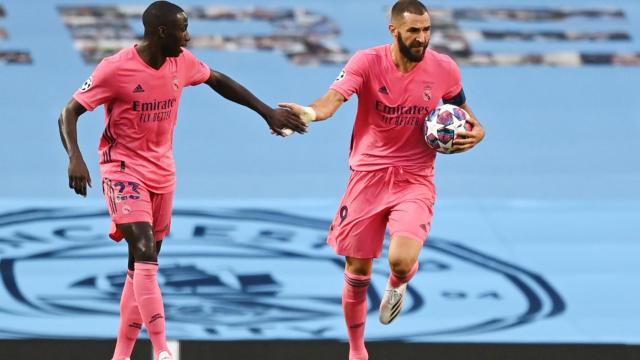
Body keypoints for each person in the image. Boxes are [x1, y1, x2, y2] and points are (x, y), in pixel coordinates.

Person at [57, 2, 307, 360]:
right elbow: (69, 111)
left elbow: (218, 80)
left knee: (140, 265)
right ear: (161, 32)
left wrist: (266, 111)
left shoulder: (182, 63)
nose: (187, 36)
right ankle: (162, 350)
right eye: (182, 29)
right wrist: (75, 157)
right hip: (122, 168)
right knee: (143, 249)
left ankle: (121, 355)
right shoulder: (115, 69)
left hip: (163, 171)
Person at [279, 1, 485, 359]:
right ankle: (357, 350)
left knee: (401, 262)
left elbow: (466, 114)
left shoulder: (444, 69)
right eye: (413, 31)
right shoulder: (366, 62)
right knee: (357, 268)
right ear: (394, 31)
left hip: (415, 178)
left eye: (426, 30)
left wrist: (477, 131)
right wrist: (310, 113)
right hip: (368, 177)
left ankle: (397, 284)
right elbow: (332, 100)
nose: (422, 38)